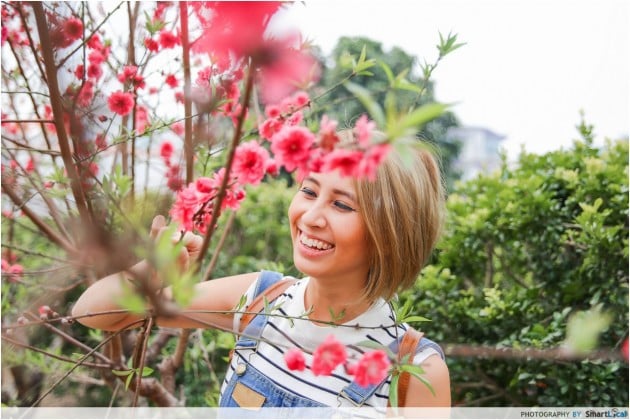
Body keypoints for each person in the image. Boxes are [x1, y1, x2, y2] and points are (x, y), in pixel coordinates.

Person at [72, 137, 451, 413]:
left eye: (341, 204)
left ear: (390, 233)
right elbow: (92, 313)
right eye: (308, 191)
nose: (310, 217)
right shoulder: (260, 300)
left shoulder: (415, 370)